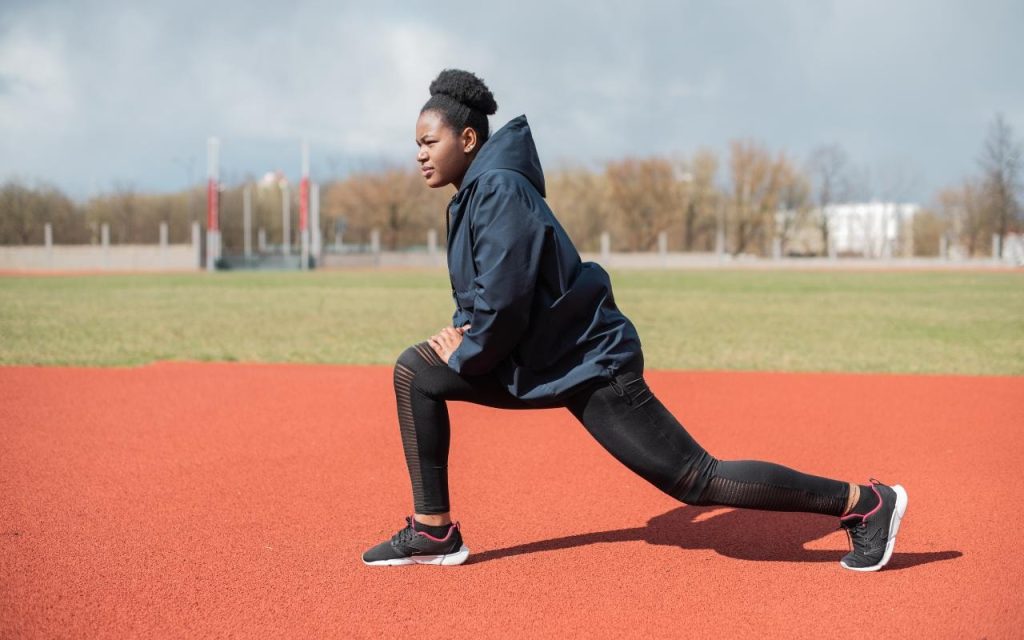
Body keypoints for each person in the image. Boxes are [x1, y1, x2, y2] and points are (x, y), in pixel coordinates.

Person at [362, 69, 908, 572]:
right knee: (417, 372)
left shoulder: (500, 190)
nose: (420, 155)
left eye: (428, 142)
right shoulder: (476, 194)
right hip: (545, 357)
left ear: (468, 139)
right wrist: (463, 330)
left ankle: (864, 503)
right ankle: (434, 532)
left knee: (696, 478)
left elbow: (504, 303)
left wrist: (466, 347)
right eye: (417, 144)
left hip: (591, 364)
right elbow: (485, 292)